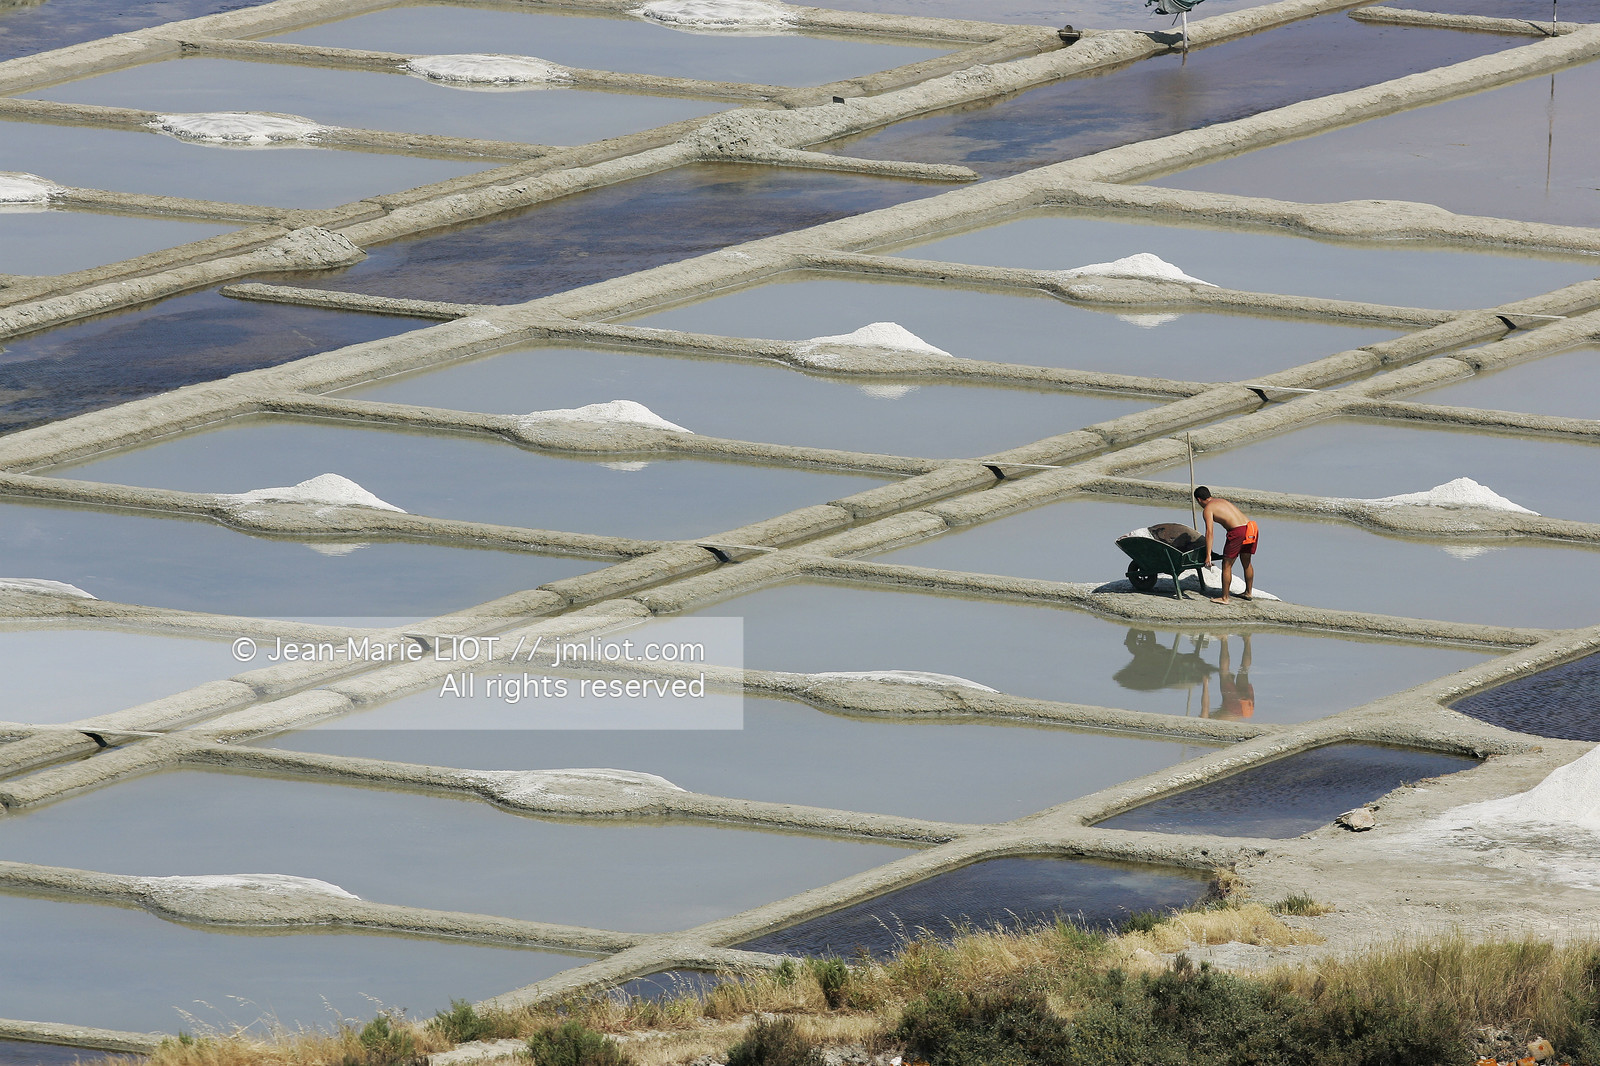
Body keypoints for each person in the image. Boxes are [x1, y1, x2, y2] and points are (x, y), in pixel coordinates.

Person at [1194, 486, 1257, 603]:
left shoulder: (1208, 509)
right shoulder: (1221, 501)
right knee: (1246, 562)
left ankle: (1225, 598)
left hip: (1238, 531)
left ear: (1199, 500)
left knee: (1226, 564)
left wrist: (1208, 555)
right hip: (1251, 527)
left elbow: (1209, 533)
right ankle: (1248, 592)